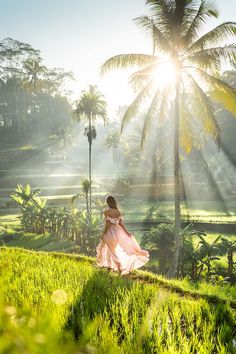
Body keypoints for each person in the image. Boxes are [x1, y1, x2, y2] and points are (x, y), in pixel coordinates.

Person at [96, 195, 149, 274]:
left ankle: (118, 267)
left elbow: (107, 224)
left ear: (107, 202)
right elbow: (120, 223)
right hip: (118, 232)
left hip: (110, 233)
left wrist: (103, 233)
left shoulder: (106, 212)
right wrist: (127, 232)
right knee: (112, 250)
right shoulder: (118, 212)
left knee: (111, 250)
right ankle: (111, 267)